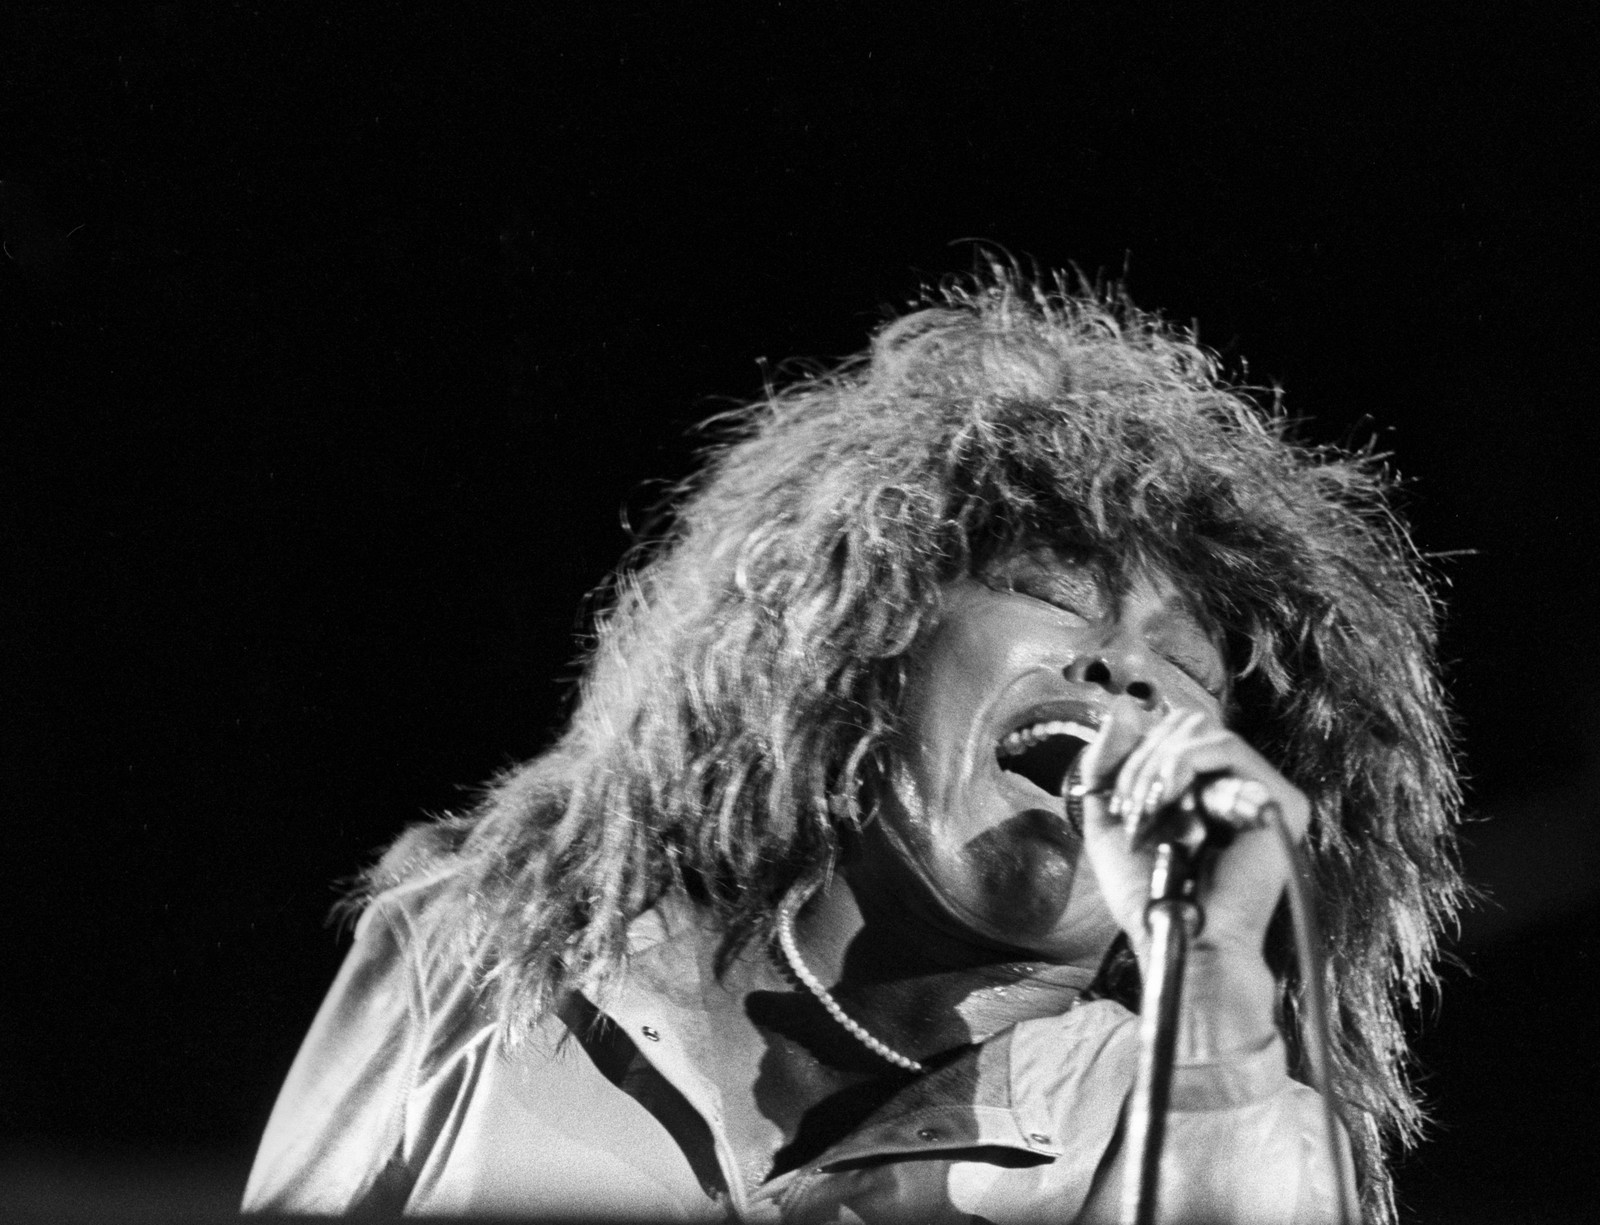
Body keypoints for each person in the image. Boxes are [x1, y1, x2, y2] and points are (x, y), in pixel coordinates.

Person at [243, 271, 1462, 1223]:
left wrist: (1210, 1007)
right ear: (866, 647)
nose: (1122, 668)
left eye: (1188, 668)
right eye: (1049, 592)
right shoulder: (497, 954)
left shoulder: (1208, 1130)